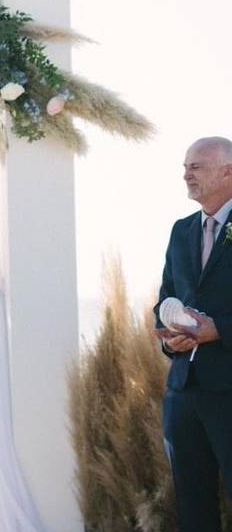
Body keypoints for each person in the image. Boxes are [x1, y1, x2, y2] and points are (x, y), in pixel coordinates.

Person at [154, 136, 232, 531]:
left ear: (228, 171)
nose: (186, 174)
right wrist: (170, 333)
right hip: (183, 393)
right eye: (185, 167)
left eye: (196, 167)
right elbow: (166, 297)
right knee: (194, 506)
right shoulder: (181, 231)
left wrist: (219, 330)